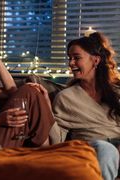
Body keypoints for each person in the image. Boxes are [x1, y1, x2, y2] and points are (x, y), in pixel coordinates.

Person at [33, 32, 120, 180]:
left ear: (95, 60)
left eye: (76, 58)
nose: (71, 63)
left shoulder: (116, 92)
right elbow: (56, 140)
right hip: (92, 148)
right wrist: (47, 105)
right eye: (69, 58)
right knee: (106, 149)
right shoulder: (66, 97)